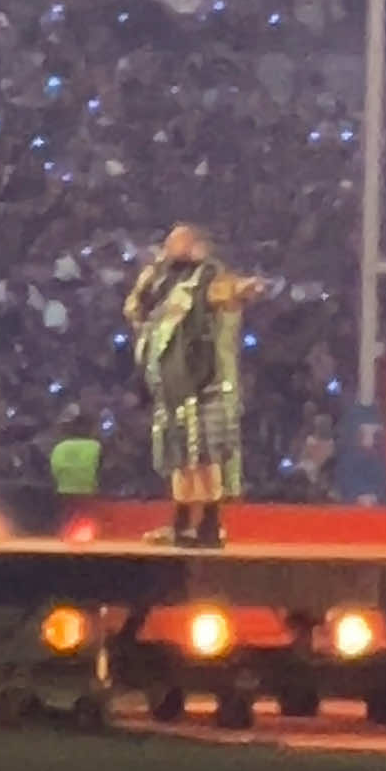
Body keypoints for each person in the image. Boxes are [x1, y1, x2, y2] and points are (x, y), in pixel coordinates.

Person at [124, 224, 260, 548]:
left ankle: (210, 523)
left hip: (205, 379)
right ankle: (183, 521)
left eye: (178, 240)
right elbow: (134, 309)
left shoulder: (209, 277)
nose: (170, 245)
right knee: (179, 457)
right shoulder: (160, 280)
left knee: (206, 456)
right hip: (171, 382)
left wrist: (244, 288)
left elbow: (230, 292)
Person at [49, 411, 102, 530]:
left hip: (63, 491)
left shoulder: (60, 446)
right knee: (88, 522)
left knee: (67, 522)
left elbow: (53, 469)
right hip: (89, 492)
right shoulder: (95, 446)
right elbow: (101, 469)